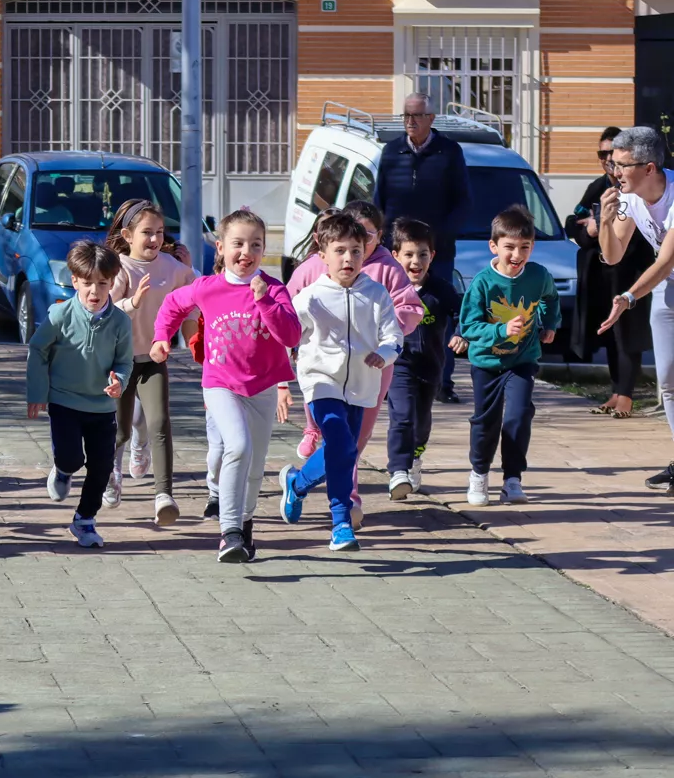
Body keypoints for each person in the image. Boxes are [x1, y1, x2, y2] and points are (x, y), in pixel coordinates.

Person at [150, 211, 301, 563]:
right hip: (220, 383)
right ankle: (229, 531)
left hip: (261, 386)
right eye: (238, 243)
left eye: (256, 245)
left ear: (264, 251)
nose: (246, 251)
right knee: (237, 446)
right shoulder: (208, 287)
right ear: (221, 248)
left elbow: (291, 335)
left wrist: (264, 300)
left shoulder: (273, 288)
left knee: (255, 463)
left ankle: (244, 526)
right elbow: (172, 304)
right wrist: (161, 338)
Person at [284, 200, 422, 525]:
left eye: (363, 243)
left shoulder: (384, 274)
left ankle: (298, 482)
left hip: (369, 376)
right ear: (326, 250)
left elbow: (407, 312)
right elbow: (286, 315)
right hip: (323, 378)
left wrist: (384, 345)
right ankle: (345, 512)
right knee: (340, 441)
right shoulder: (313, 277)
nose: (350, 256)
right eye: (342, 249)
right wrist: (284, 364)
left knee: (351, 446)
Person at [26, 241, 133, 550]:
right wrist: (37, 392)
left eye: (102, 283)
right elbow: (37, 349)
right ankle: (62, 469)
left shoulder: (121, 322)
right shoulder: (59, 315)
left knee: (101, 466)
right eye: (87, 283)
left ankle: (85, 519)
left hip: (102, 406)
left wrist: (120, 382)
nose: (94, 291)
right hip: (63, 401)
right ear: (74, 281)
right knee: (72, 458)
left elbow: (124, 361)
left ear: (112, 282)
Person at [459, 207, 561, 506]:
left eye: (524, 247)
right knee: (486, 422)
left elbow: (550, 298)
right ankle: (479, 474)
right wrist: (502, 330)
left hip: (523, 359)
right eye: (510, 247)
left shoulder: (538, 275)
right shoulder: (482, 283)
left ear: (532, 247)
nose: (517, 254)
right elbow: (469, 326)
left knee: (518, 416)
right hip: (487, 363)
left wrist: (549, 323)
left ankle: (512, 479)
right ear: (494, 246)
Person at [375, 93, 472, 403]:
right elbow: (379, 198)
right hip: (396, 250)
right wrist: (381, 238)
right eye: (406, 115)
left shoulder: (449, 152)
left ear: (431, 118)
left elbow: (462, 200)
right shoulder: (391, 151)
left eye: (416, 116)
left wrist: (441, 237)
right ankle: (391, 377)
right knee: (390, 311)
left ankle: (442, 382)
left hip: (436, 251)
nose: (410, 121)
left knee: (436, 314)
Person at [105, 198, 196, 524]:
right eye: (147, 232)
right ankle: (111, 475)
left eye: (159, 232)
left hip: (153, 359)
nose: (155, 239)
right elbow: (104, 313)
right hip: (118, 362)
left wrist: (193, 339)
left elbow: (196, 293)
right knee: (119, 430)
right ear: (128, 235)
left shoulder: (171, 268)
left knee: (159, 422)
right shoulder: (118, 268)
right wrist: (133, 301)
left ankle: (164, 495)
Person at [597, 125, 674, 493]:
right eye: (612, 163)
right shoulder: (627, 197)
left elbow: (666, 262)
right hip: (668, 292)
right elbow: (612, 255)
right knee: (669, 380)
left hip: (664, 278)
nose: (614, 172)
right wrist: (606, 221)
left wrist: (628, 297)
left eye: (622, 165)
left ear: (649, 168)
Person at [568, 126, 653, 417]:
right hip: (603, 272)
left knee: (629, 333)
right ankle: (617, 391)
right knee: (610, 333)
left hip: (636, 272)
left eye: (615, 157)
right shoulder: (598, 187)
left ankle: (627, 395)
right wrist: (593, 228)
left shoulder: (639, 190)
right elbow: (573, 224)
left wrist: (598, 227)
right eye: (603, 154)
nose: (609, 161)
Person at [386, 218, 463, 498]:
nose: (415, 261)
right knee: (402, 417)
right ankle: (397, 471)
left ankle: (415, 458)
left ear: (433, 256)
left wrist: (461, 333)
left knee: (421, 422)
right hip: (398, 364)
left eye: (422, 254)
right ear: (395, 256)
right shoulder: (388, 290)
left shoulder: (441, 290)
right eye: (408, 254)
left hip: (432, 367)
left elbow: (462, 312)